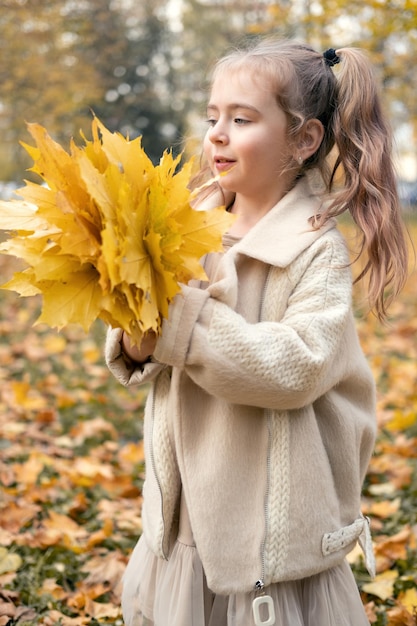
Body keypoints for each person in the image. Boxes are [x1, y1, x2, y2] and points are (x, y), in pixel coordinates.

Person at [105, 37, 409, 626]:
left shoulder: (314, 250)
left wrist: (180, 328)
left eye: (241, 119)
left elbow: (294, 366)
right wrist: (137, 338)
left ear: (303, 139)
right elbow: (149, 334)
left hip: (267, 530)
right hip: (187, 513)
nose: (217, 133)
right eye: (212, 117)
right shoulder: (186, 226)